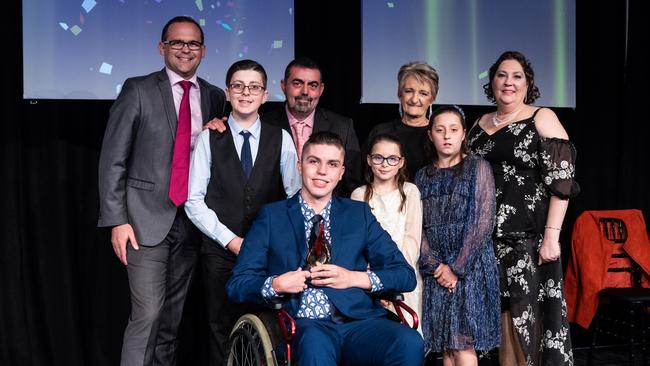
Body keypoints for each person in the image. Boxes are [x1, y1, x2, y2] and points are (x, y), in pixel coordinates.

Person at [227, 131, 424, 366]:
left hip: (358, 322)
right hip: (305, 324)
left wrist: (354, 278)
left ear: (341, 172)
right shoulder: (271, 216)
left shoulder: (357, 214)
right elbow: (237, 284)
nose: (322, 171)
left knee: (409, 342)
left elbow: (404, 275)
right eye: (314, 161)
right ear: (300, 165)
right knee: (314, 344)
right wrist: (277, 284)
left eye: (332, 164)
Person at [97, 16, 226, 366]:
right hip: (143, 222)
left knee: (171, 323)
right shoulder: (137, 89)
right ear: (162, 47)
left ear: (203, 50)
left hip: (192, 223)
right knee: (148, 316)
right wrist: (116, 220)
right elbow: (113, 160)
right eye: (177, 43)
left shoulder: (215, 96)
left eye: (193, 44)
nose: (186, 50)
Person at [184, 59, 301, 365]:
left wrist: (276, 241)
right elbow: (193, 200)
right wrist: (231, 240)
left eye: (254, 87)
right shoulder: (210, 137)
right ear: (227, 92)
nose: (246, 92)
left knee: (268, 327)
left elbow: (294, 196)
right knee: (220, 327)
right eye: (238, 85)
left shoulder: (281, 138)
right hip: (220, 253)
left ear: (265, 95)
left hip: (267, 254)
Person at [467, 51, 579, 366]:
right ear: (492, 82)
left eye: (517, 76)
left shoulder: (541, 117)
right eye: (502, 75)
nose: (509, 82)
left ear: (528, 83)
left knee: (526, 319)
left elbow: (562, 181)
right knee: (494, 319)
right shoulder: (478, 124)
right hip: (484, 241)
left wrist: (551, 237)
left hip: (526, 240)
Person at [416, 105, 500, 366]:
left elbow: (482, 222)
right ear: (430, 134)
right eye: (440, 130)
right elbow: (416, 227)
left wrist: (455, 268)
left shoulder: (478, 167)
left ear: (464, 133)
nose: (447, 136)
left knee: (463, 344)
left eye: (453, 130)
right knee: (446, 347)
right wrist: (435, 265)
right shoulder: (421, 176)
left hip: (469, 268)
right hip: (437, 271)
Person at [208, 57, 362, 196]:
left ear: (321, 90)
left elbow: (352, 184)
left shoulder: (343, 126)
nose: (305, 91)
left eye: (312, 85)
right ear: (283, 85)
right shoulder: (262, 124)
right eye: (297, 83)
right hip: (272, 217)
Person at [351, 133, 423, 334]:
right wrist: (375, 282)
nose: (385, 164)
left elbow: (412, 240)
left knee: (407, 336)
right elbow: (358, 245)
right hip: (369, 280)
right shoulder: (358, 195)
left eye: (392, 158)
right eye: (378, 158)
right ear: (368, 160)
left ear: (401, 162)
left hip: (402, 276)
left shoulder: (410, 192)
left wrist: (393, 279)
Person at [366, 61, 439, 181]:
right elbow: (365, 176)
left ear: (432, 98)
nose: (415, 99)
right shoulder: (381, 132)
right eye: (409, 91)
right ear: (399, 94)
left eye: (423, 93)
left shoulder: (439, 135)